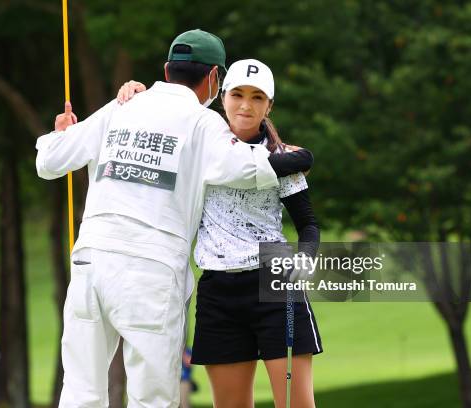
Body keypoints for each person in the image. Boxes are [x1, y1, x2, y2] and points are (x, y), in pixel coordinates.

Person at [36, 29, 313, 407]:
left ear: (167, 69)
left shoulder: (122, 105)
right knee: (153, 399)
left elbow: (49, 161)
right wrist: (300, 158)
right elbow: (250, 168)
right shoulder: (202, 122)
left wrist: (59, 135)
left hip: (90, 262)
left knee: (81, 392)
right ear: (215, 78)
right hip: (150, 270)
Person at [119, 59, 322, 407]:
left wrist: (305, 259)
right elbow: (155, 123)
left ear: (269, 105)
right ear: (222, 96)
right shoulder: (198, 144)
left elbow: (308, 224)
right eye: (238, 94)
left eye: (258, 98)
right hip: (217, 290)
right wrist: (136, 93)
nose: (246, 105)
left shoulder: (281, 156)